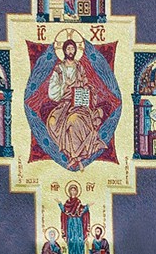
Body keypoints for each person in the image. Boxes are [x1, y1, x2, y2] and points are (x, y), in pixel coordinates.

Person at [46, 35, 116, 170]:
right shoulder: (59, 69)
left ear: (76, 50)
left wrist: (87, 89)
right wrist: (65, 87)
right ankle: (73, 156)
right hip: (64, 103)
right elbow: (52, 91)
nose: (70, 51)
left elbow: (85, 83)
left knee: (73, 120)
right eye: (68, 49)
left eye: (72, 49)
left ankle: (76, 156)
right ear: (64, 51)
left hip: (78, 103)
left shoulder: (79, 67)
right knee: (53, 122)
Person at [59, 183, 91, 254]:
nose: (73, 192)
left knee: (79, 240)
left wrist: (87, 206)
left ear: (77, 192)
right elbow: (64, 211)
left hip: (78, 223)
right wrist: (59, 204)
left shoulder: (78, 202)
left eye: (74, 190)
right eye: (71, 190)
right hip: (70, 223)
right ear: (69, 192)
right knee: (71, 240)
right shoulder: (67, 202)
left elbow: (82, 211)